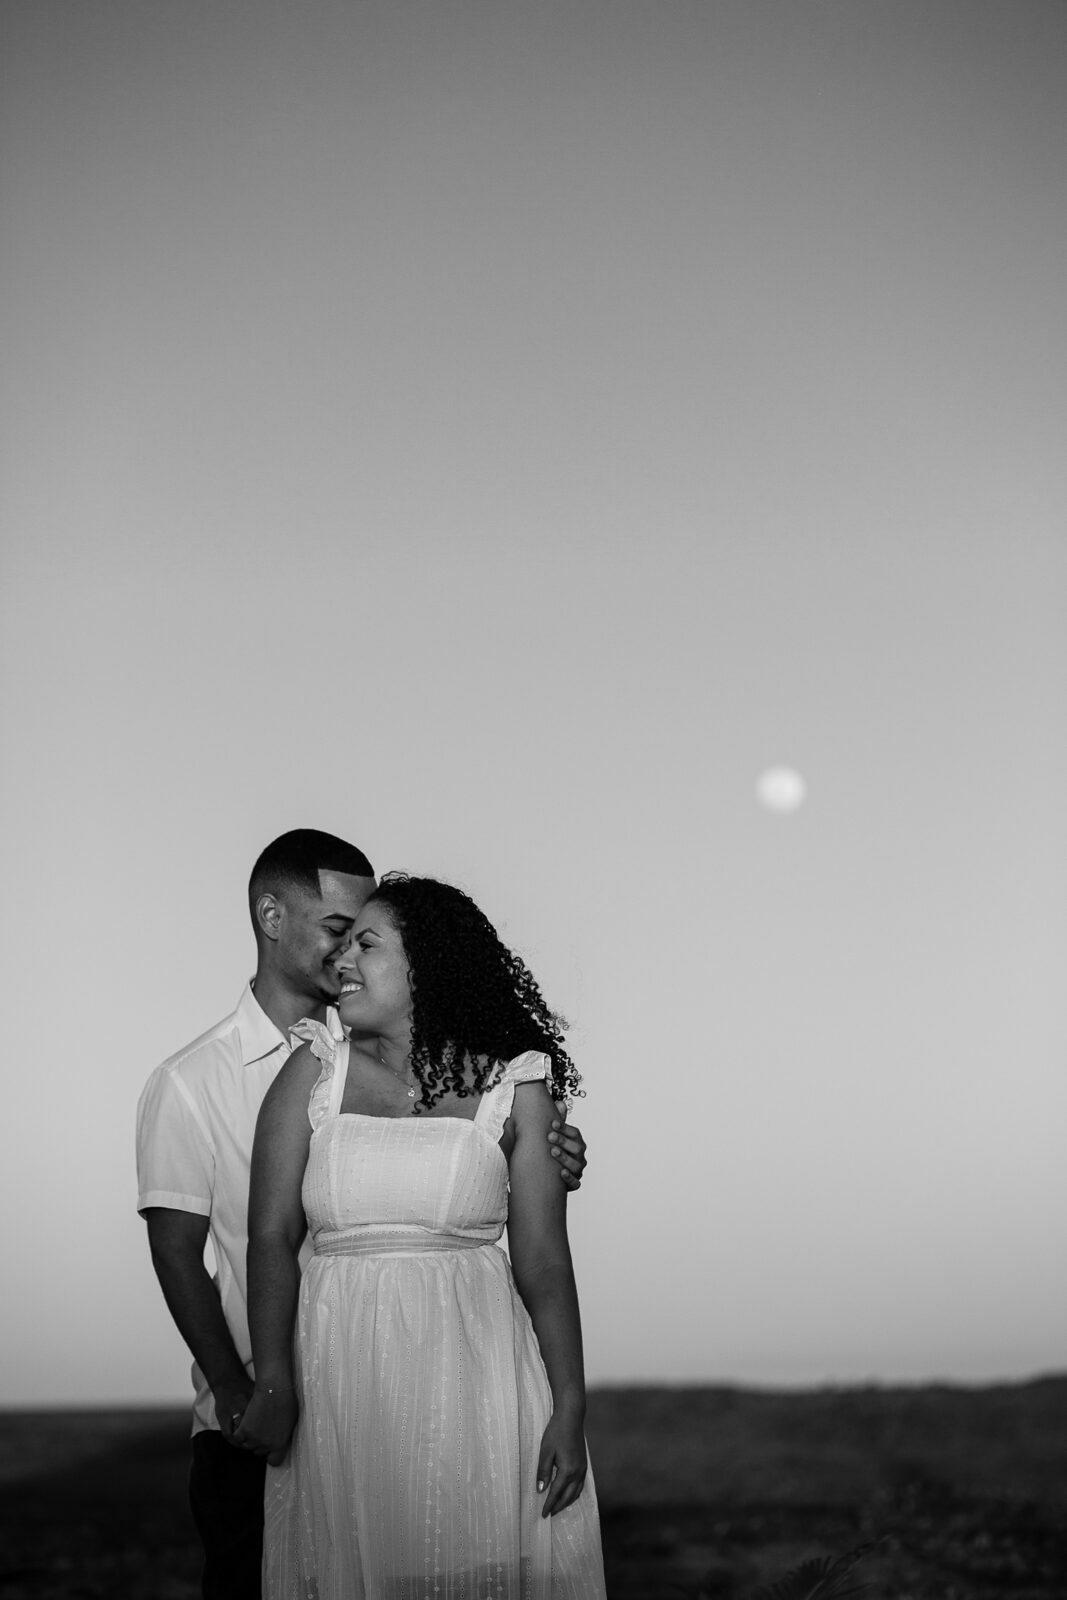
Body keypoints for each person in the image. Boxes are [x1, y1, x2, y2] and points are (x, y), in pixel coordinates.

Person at [136, 832, 588, 1600]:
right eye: (337, 932)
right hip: (291, 1402)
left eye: (362, 938)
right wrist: (251, 1387)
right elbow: (199, 1247)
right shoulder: (214, 1078)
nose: (344, 954)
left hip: (467, 1386)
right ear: (272, 917)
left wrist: (543, 1158)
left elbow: (539, 1253)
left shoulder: (502, 1085)